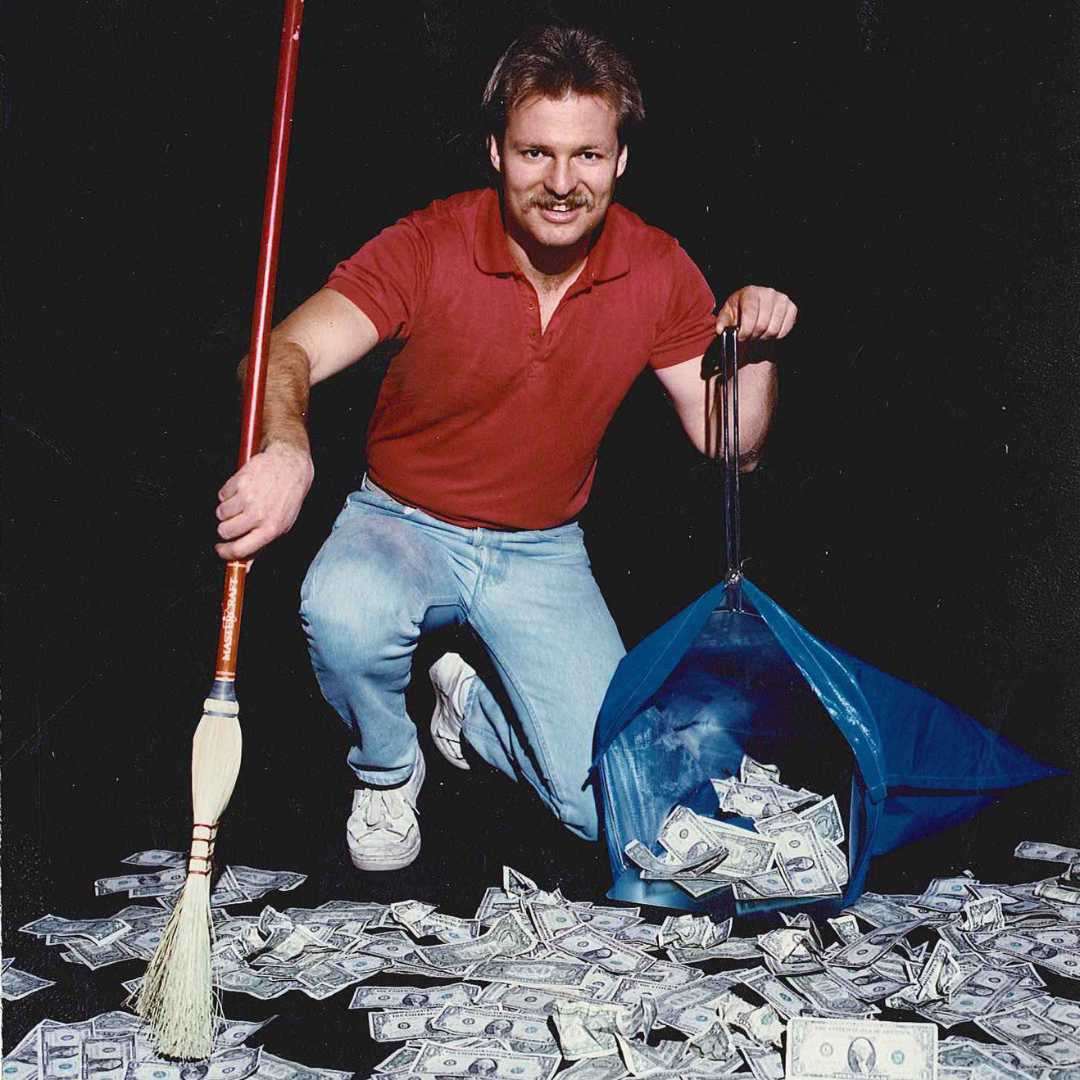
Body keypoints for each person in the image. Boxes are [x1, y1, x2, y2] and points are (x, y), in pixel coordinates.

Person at [214, 25, 796, 871]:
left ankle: (471, 711)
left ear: (620, 161)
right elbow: (279, 354)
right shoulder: (427, 244)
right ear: (495, 152)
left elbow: (732, 445)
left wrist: (754, 347)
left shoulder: (658, 267)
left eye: (587, 155)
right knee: (344, 607)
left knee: (611, 814)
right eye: (535, 153)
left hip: (541, 553)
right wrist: (289, 449)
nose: (561, 183)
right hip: (403, 525)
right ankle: (387, 767)